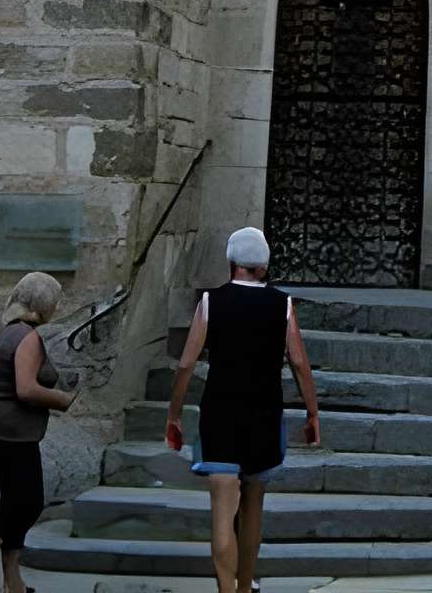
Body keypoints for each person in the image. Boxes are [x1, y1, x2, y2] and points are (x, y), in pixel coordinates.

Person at [166, 228, 320, 593]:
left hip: (220, 412)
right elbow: (299, 362)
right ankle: (246, 585)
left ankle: (226, 589)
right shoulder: (282, 304)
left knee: (222, 508)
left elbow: (186, 363)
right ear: (263, 266)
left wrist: (173, 414)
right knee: (253, 504)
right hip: (264, 414)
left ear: (232, 262)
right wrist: (313, 413)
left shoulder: (211, 302)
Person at [0, 272, 75, 593]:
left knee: (14, 509)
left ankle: (13, 584)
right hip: (13, 437)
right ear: (43, 305)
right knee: (28, 507)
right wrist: (63, 399)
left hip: (2, 434)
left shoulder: (11, 332)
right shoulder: (27, 337)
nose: (58, 308)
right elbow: (26, 389)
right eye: (55, 302)